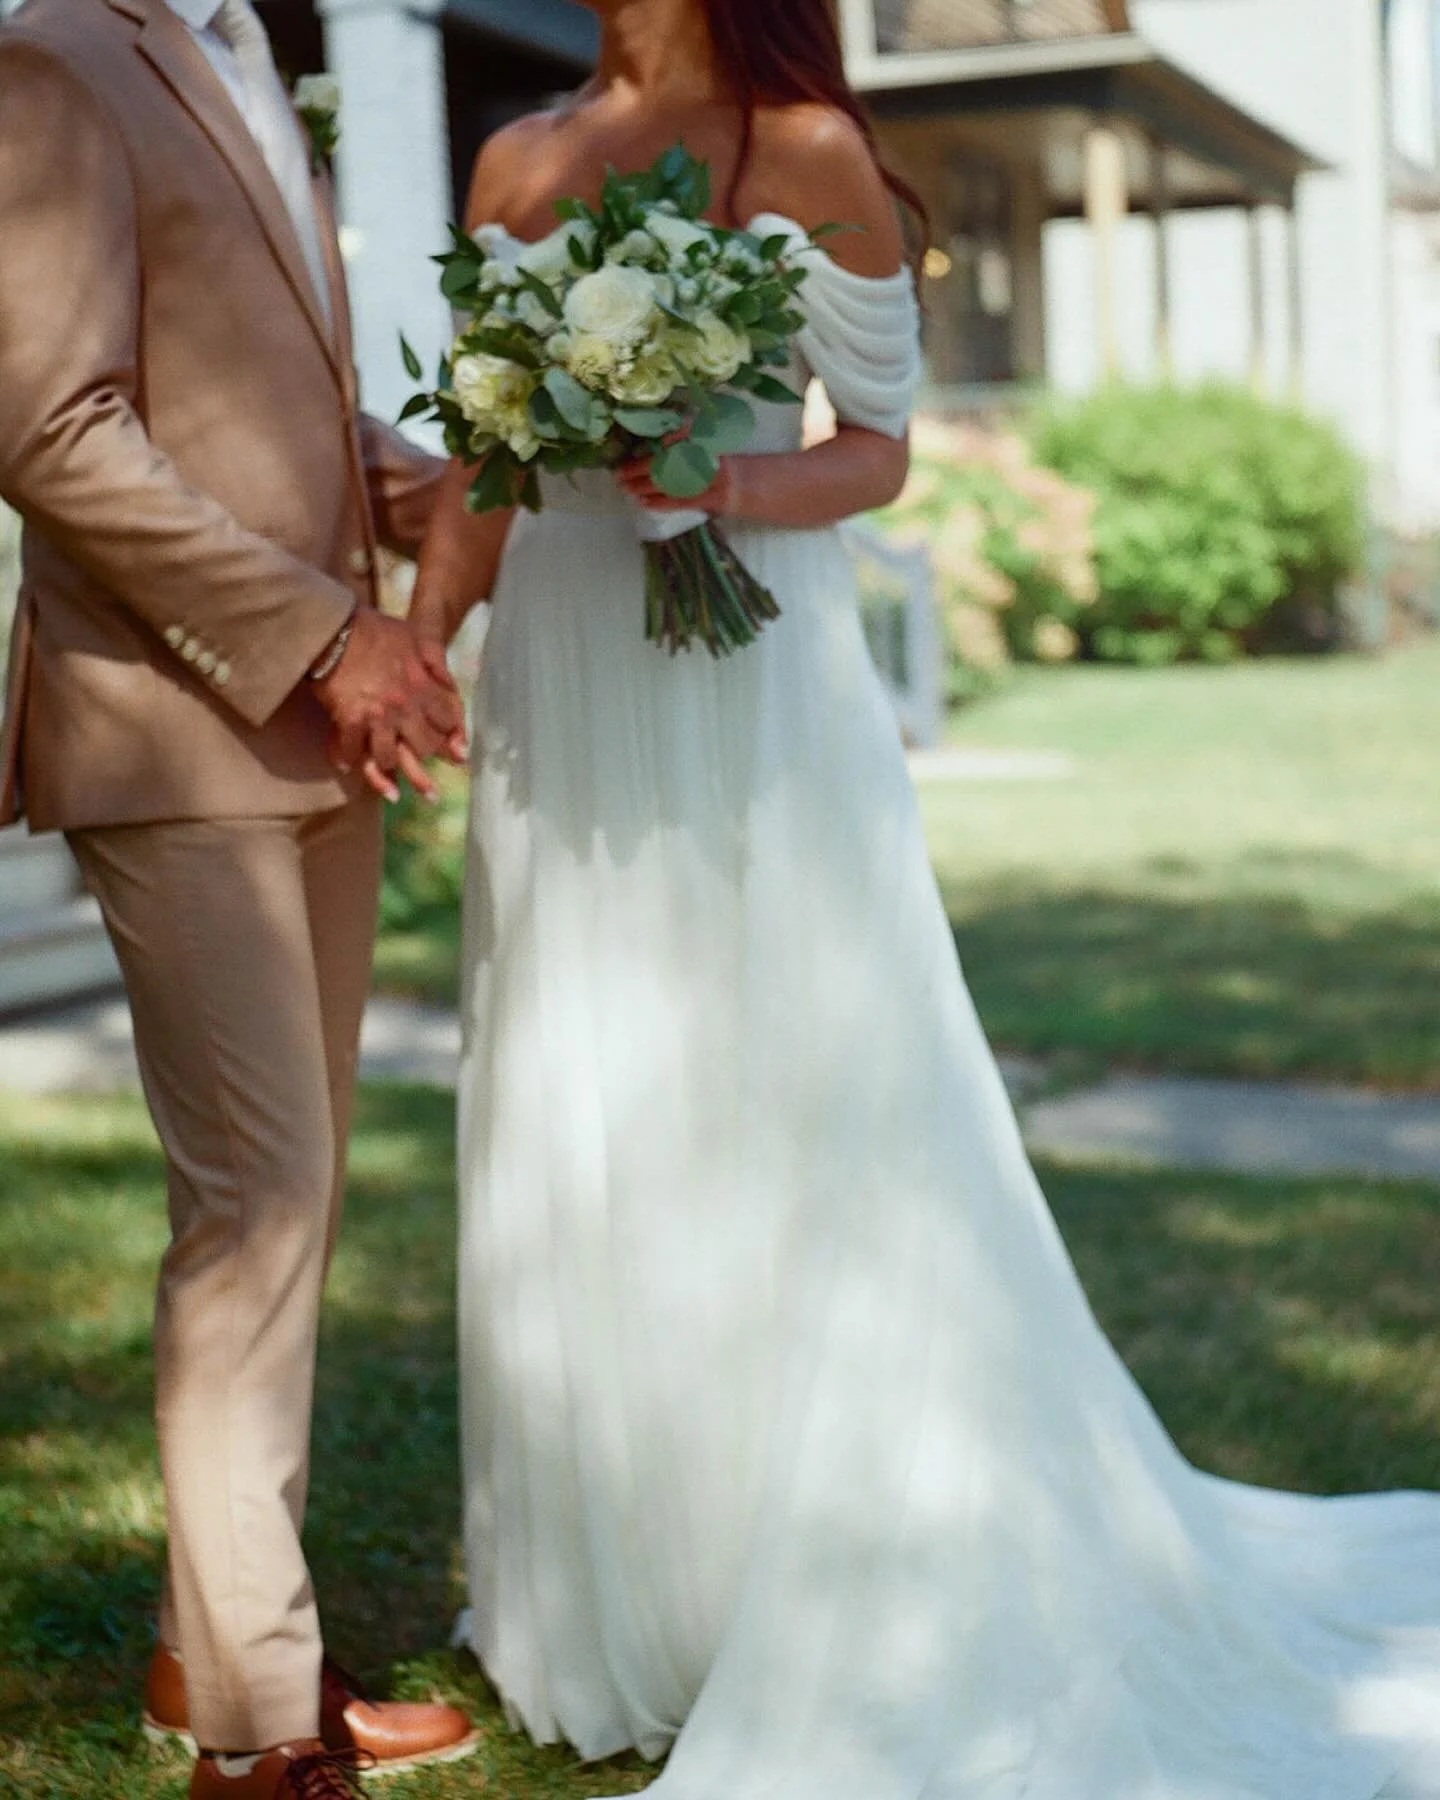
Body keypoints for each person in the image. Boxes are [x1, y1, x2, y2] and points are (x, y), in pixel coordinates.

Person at [412, 2, 1440, 1797]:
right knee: (580, 1072)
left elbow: (875, 446)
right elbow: (493, 460)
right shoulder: (516, 156)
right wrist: (415, 649)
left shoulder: (805, 154)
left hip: (745, 683)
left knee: (795, 1096)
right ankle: (618, 1591)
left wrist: (709, 479)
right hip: (561, 681)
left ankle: (826, 1563)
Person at [0, 1, 479, 1794]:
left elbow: (242, 401)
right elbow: (53, 425)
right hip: (173, 726)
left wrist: (428, 488)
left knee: (296, 1209)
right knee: (255, 1216)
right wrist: (325, 630)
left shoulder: (246, 52)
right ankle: (265, 1737)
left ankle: (223, 1653)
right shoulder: (53, 55)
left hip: (309, 731)